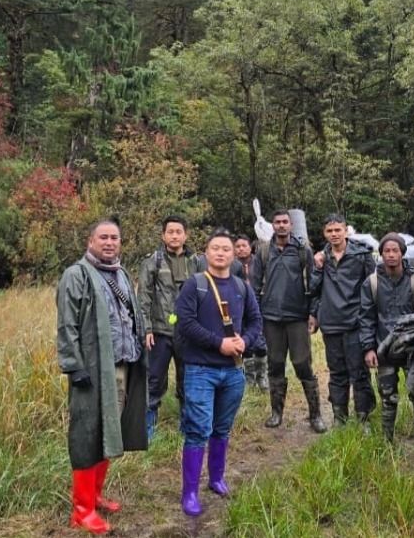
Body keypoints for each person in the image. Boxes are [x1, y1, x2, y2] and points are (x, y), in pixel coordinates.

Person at [56, 219, 148, 535]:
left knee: (110, 430)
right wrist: (74, 365)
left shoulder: (121, 274)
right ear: (90, 241)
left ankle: (94, 496)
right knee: (87, 434)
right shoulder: (76, 274)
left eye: (114, 238)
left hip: (121, 367)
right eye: (103, 237)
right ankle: (82, 511)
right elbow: (66, 324)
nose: (109, 242)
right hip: (91, 370)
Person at [174, 228, 263, 516]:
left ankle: (216, 478)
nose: (221, 253)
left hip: (233, 372)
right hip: (201, 370)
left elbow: (255, 321)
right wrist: (219, 343)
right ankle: (189, 493)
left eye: (226, 249)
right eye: (216, 248)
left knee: (222, 428)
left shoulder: (241, 287)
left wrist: (245, 341)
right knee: (198, 430)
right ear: (206, 252)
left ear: (234, 254)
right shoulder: (194, 285)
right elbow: (185, 323)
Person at [252, 209, 327, 433]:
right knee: (275, 364)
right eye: (277, 222)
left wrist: (313, 314)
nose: (282, 225)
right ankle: (276, 413)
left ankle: (315, 415)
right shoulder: (264, 251)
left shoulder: (303, 250)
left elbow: (313, 285)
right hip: (271, 317)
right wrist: (256, 317)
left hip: (297, 317)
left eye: (285, 222)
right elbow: (255, 285)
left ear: (291, 225)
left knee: (302, 364)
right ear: (273, 225)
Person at [359, 233, 414, 453]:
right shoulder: (371, 283)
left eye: (395, 250)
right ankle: (387, 443)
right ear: (380, 254)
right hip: (384, 349)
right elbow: (366, 318)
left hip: (413, 349)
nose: (391, 255)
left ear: (402, 253)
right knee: (388, 397)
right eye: (386, 251)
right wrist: (368, 348)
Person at [137, 215, 204, 440]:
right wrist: (146, 329)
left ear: (186, 235)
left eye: (178, 232)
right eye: (170, 232)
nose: (174, 236)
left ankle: (187, 425)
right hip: (159, 332)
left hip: (188, 333)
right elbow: (143, 297)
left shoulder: (197, 261)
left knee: (188, 379)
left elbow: (204, 296)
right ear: (163, 235)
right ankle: (148, 428)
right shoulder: (152, 261)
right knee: (154, 380)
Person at [310, 214, 377, 428]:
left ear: (346, 231)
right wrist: (317, 268)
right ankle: (340, 418)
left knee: (359, 373)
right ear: (324, 233)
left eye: (338, 230)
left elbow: (373, 288)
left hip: (356, 323)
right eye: (329, 231)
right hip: (331, 323)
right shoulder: (322, 258)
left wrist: (371, 321)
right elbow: (314, 289)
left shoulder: (362, 255)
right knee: (337, 373)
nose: (334, 234)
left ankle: (364, 418)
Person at [232, 234, 268, 390]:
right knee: (245, 343)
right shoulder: (232, 265)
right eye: (237, 246)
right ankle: (249, 378)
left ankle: (262, 377)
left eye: (244, 246)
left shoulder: (258, 263)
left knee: (260, 343)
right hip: (239, 308)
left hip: (258, 305)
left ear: (250, 247)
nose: (241, 249)